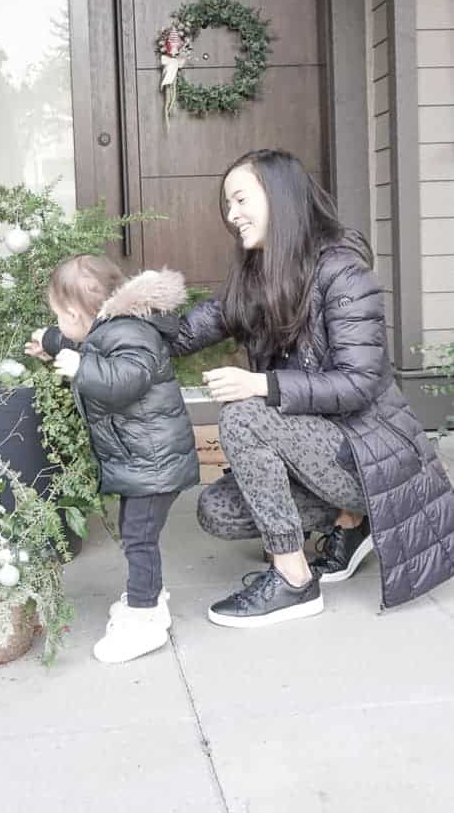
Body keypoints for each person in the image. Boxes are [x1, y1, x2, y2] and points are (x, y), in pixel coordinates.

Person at [171, 148, 454, 628]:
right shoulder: (257, 278)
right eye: (228, 204)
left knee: (244, 412)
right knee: (216, 510)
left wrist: (262, 384)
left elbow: (359, 382)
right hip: (316, 453)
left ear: (280, 197)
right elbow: (183, 333)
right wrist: (93, 332)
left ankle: (294, 580)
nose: (231, 214)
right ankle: (351, 519)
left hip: (371, 455)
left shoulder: (342, 270)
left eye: (240, 199)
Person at [26, 254, 199, 663]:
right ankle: (148, 599)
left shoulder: (129, 334)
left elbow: (126, 379)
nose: (59, 321)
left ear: (74, 311)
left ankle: (144, 616)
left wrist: (79, 367)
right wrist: (52, 342)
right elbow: (88, 344)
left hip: (154, 464)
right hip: (145, 459)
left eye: (58, 316)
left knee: (138, 537)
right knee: (137, 533)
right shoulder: (113, 328)